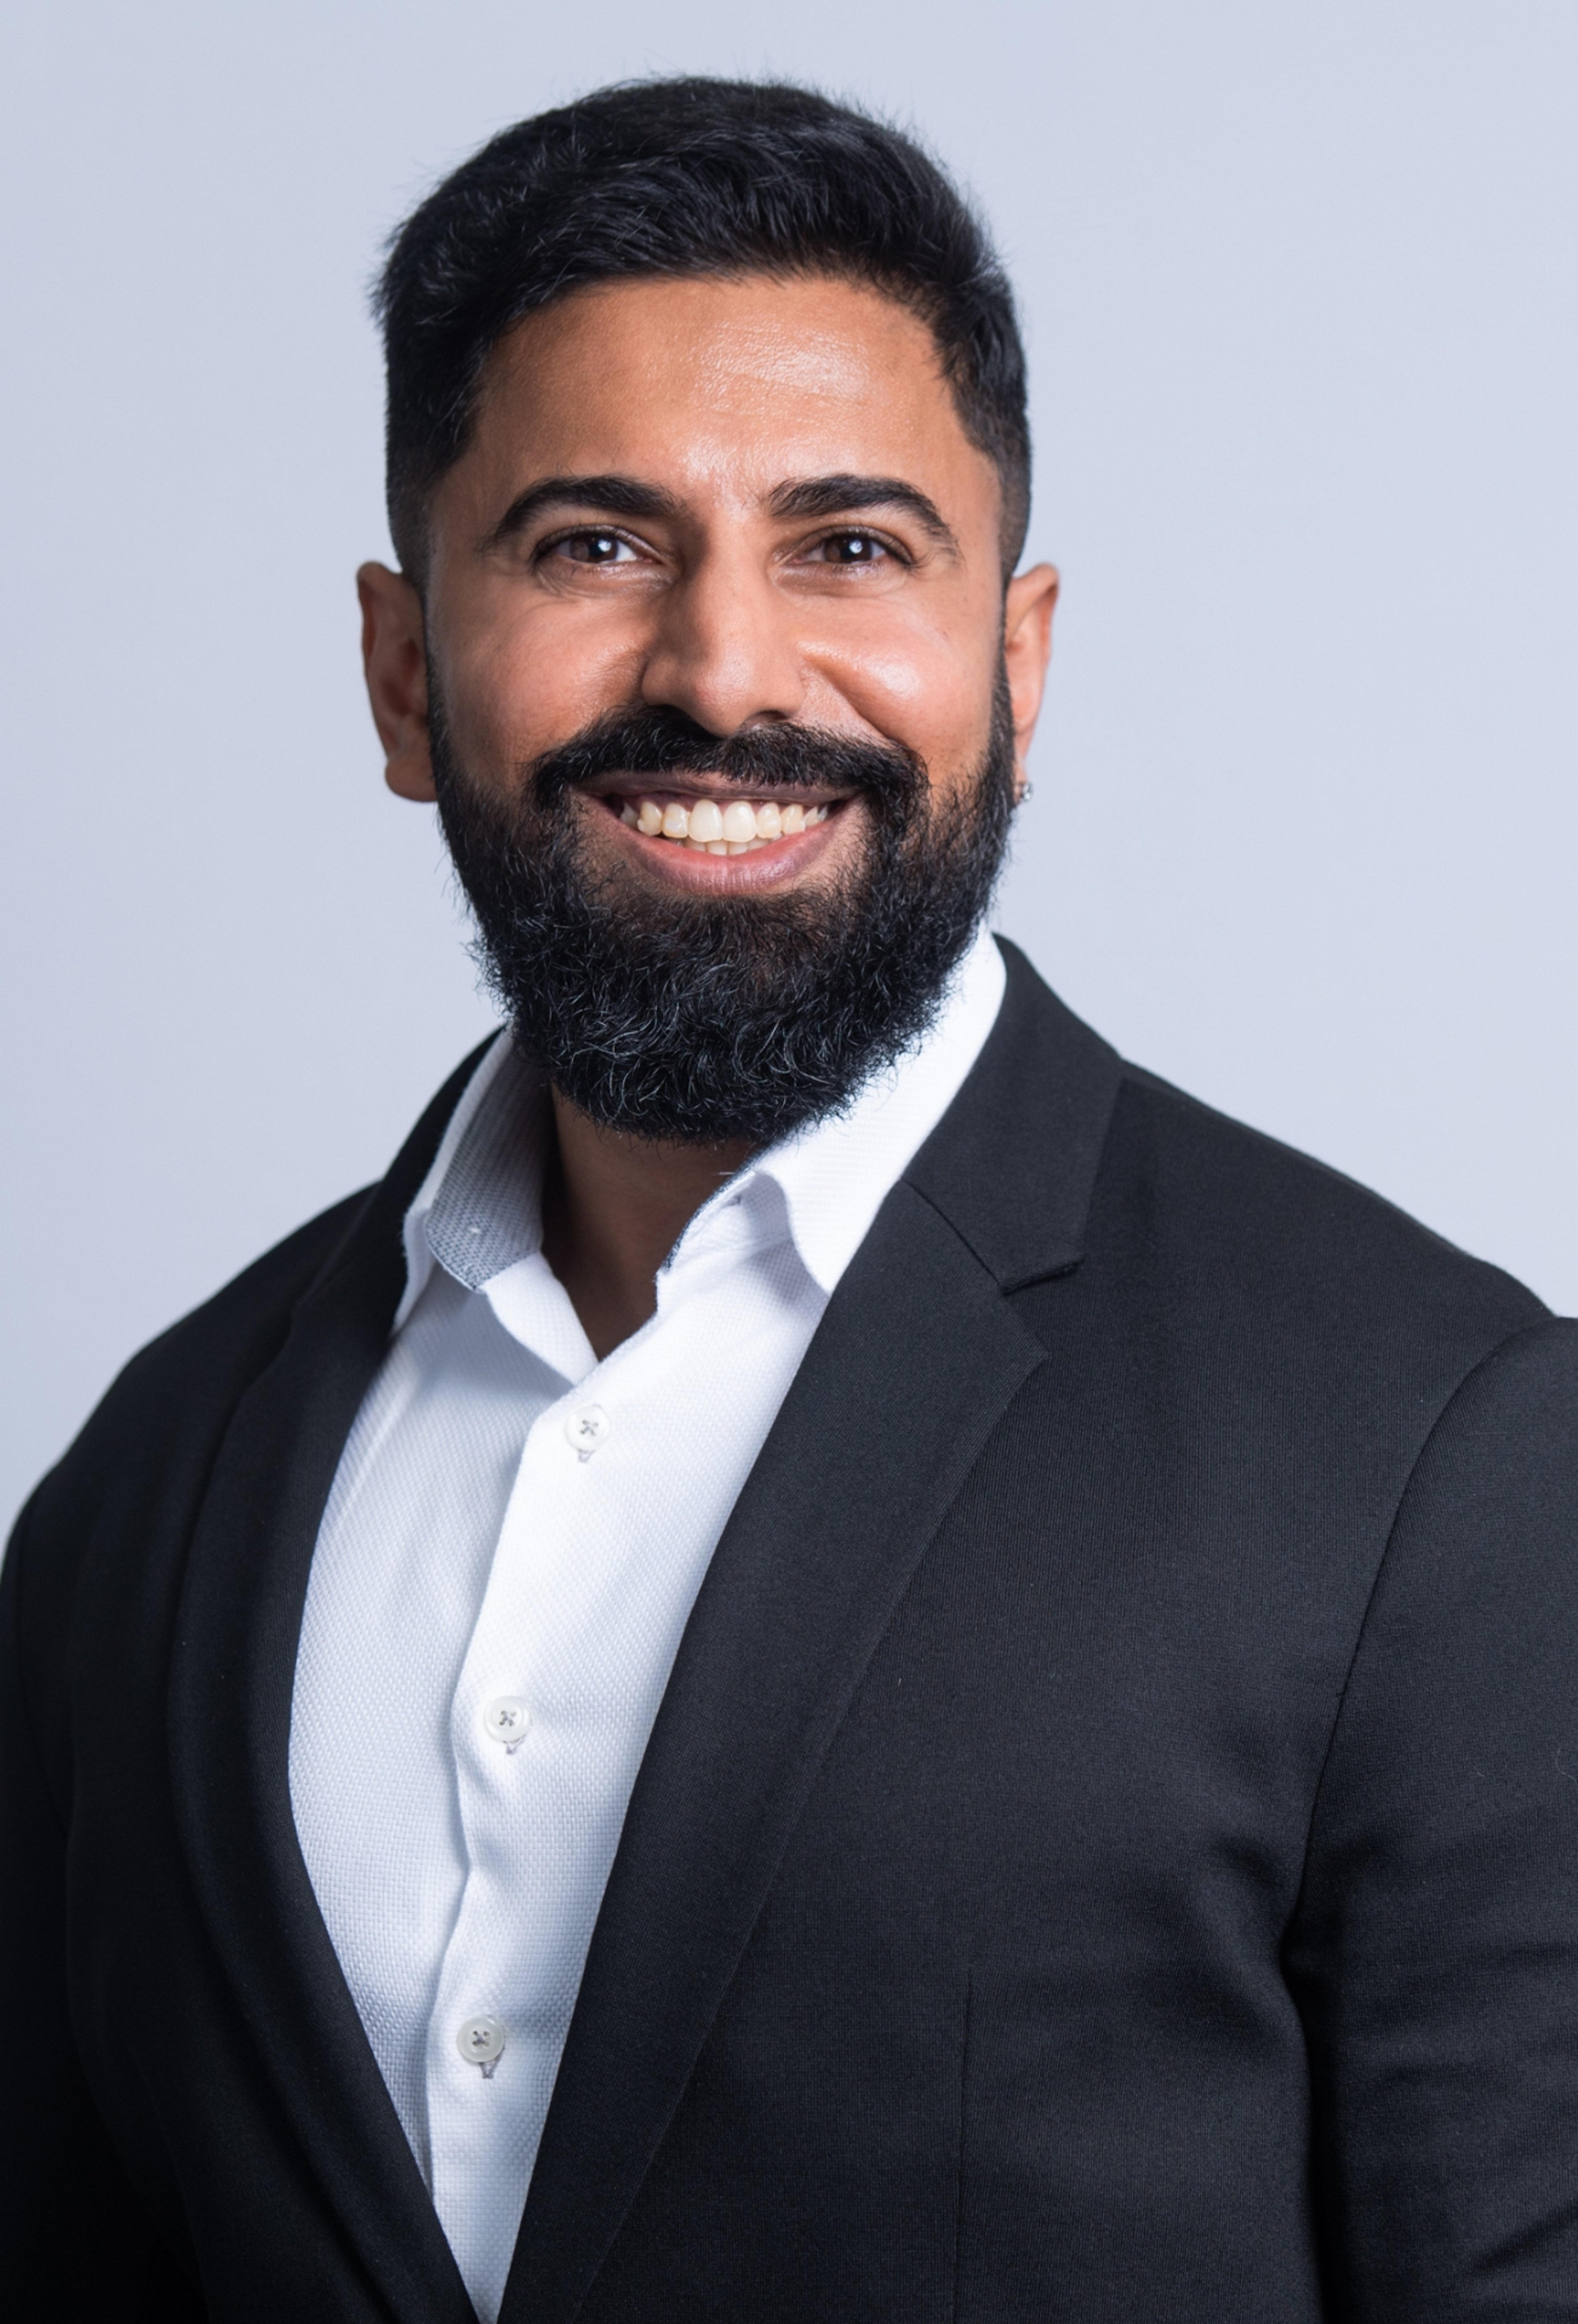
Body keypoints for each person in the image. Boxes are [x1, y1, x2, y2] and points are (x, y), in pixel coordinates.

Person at [4, 74, 1577, 2324]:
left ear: (1017, 669)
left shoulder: (1437, 1457)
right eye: (592, 544)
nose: (725, 670)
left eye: (849, 545)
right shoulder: (153, 1487)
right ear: (397, 670)